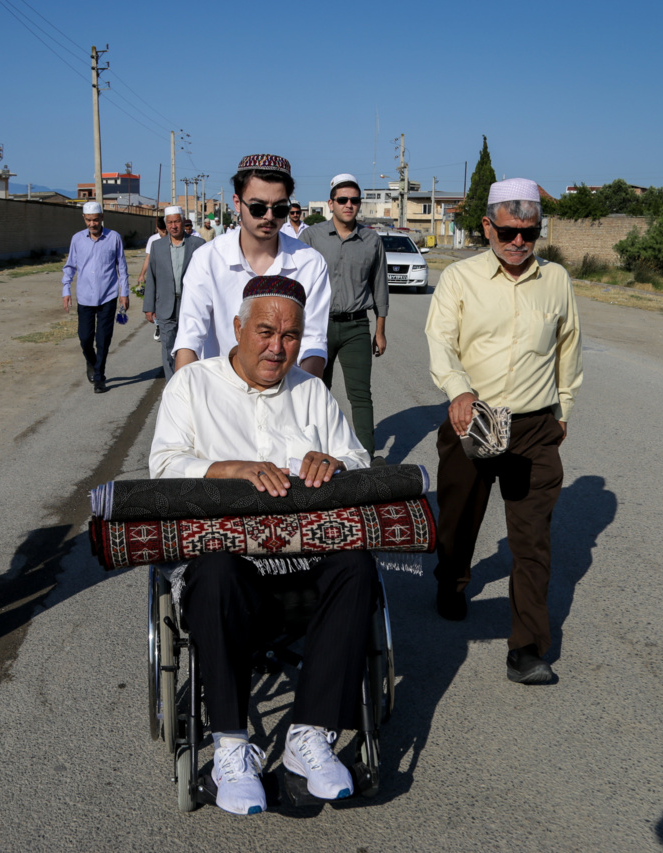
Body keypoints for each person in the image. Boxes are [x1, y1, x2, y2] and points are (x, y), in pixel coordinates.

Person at [149, 275, 374, 816]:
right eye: (266, 331)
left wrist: (336, 463)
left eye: (292, 336)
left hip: (303, 563)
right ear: (237, 328)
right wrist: (223, 469)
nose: (279, 347)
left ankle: (308, 738)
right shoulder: (192, 386)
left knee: (358, 566)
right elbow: (161, 469)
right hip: (227, 572)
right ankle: (230, 747)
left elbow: (362, 461)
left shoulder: (311, 392)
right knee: (218, 568)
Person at [424, 177, 583, 684]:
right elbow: (440, 340)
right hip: (473, 418)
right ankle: (451, 582)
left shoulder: (556, 280)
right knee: (459, 518)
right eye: (509, 232)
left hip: (535, 427)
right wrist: (457, 389)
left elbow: (568, 346)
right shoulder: (460, 278)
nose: (519, 243)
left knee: (532, 539)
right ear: (488, 226)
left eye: (529, 234)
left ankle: (528, 649)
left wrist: (562, 412)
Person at [174, 154, 331, 379]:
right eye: (258, 208)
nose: (269, 217)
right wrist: (184, 398)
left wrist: (306, 398)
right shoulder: (208, 260)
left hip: (286, 393)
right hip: (221, 392)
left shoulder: (310, 264)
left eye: (279, 209)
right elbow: (190, 338)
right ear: (237, 203)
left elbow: (313, 343)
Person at [298, 174, 388, 455]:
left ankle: (366, 456)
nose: (349, 205)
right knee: (314, 391)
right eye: (342, 200)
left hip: (355, 327)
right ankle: (313, 452)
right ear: (331, 203)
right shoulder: (311, 236)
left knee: (360, 395)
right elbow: (297, 280)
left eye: (354, 200)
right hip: (316, 327)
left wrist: (380, 330)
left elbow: (380, 287)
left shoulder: (371, 240)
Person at [62, 201, 130, 394]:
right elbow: (70, 266)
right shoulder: (77, 239)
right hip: (84, 297)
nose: (92, 224)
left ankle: (99, 376)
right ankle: (91, 362)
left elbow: (122, 268)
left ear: (102, 218)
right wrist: (65, 290)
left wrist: (124, 293)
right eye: (89, 220)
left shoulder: (113, 238)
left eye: (96, 220)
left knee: (103, 339)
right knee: (85, 338)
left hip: (108, 296)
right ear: (84, 219)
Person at [142, 206, 204, 379]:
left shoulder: (198, 245)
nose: (174, 226)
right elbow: (152, 278)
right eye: (170, 222)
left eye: (177, 221)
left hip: (190, 305)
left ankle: (190, 380)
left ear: (183, 222)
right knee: (168, 346)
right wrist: (149, 306)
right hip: (165, 305)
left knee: (190, 345)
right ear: (166, 224)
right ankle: (172, 384)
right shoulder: (157, 246)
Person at [137, 216, 168, 342]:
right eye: (161, 230)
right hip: (156, 275)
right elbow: (148, 259)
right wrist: (142, 274)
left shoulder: (172, 239)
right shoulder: (153, 240)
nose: (164, 233)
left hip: (169, 277)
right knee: (156, 301)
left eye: (165, 230)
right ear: (157, 229)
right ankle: (158, 325)